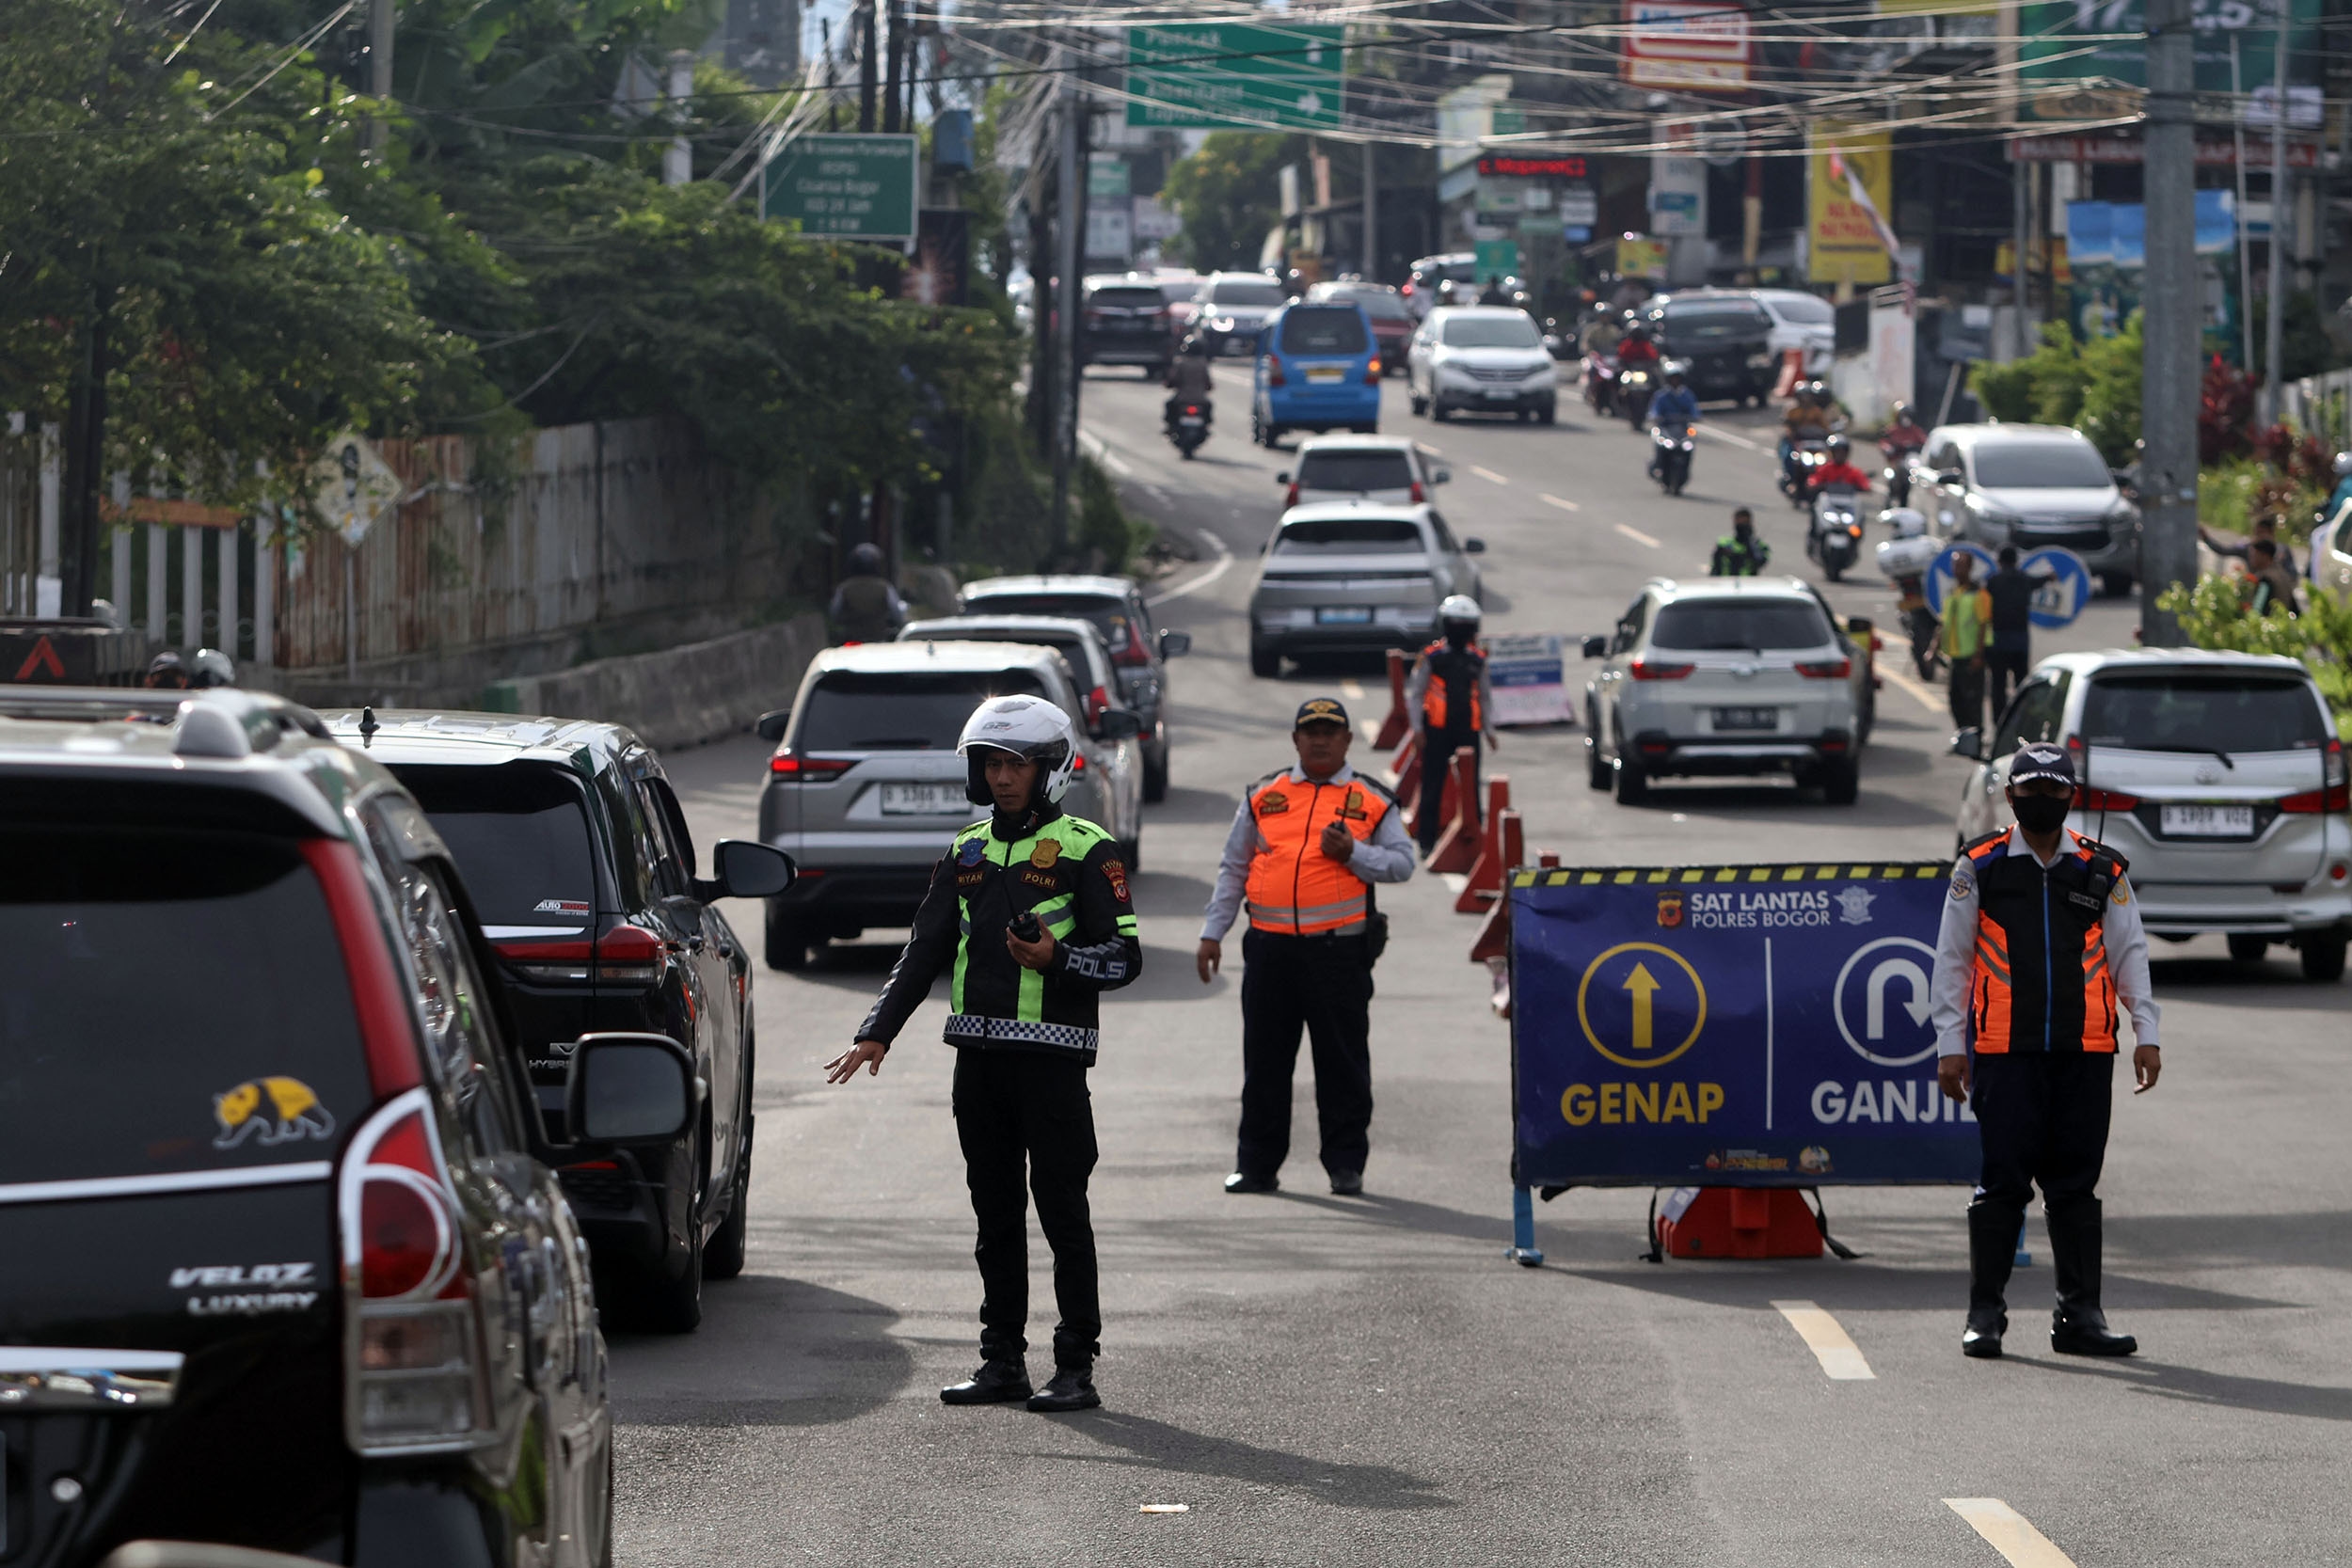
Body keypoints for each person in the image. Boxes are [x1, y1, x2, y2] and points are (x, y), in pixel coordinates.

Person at [825, 695, 1141, 1414]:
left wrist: (1057, 958)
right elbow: (925, 948)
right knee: (993, 1213)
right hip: (979, 1062)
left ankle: (1075, 1365)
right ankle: (1001, 1360)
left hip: (1055, 1065)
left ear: (1049, 769)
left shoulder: (1090, 848)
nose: (1002, 778)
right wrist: (877, 1029)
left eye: (1017, 765)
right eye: (992, 764)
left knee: (1062, 1210)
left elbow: (1125, 957)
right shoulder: (966, 849)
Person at [1932, 741, 2160, 1360]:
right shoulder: (1978, 867)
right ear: (2010, 796)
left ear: (2072, 796)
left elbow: (2130, 953)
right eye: (2030, 790)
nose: (2042, 800)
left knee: (2075, 1187)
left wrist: (2148, 1032)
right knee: (2002, 1182)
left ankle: (2080, 1316)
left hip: (2085, 1052)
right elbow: (1951, 962)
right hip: (2005, 1052)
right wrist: (1951, 1045)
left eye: (2055, 791)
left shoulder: (2101, 870)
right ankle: (1985, 1314)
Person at [1199, 698, 1415, 1197]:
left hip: (1338, 954)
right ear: (1295, 740)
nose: (1320, 740)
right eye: (1310, 731)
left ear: (1347, 741)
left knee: (1341, 1064)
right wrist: (1214, 932)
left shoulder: (1372, 799)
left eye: (1330, 732)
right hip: (1270, 951)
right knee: (1265, 1063)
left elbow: (1403, 864)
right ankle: (1255, 1166)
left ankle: (1345, 1165)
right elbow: (1234, 867)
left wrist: (1354, 853)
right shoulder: (1263, 795)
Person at [1405, 595, 1499, 856]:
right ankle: (1426, 841)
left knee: (1471, 789)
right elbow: (1415, 695)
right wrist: (1418, 730)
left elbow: (1486, 696)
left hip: (1468, 730)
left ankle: (1475, 842)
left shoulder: (1477, 660)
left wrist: (1489, 731)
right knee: (1432, 785)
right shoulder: (1432, 657)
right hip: (1436, 730)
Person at [1982, 546, 2038, 719]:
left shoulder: (1992, 581)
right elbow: (2041, 581)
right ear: (2016, 561)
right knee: (2021, 684)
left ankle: (1999, 723)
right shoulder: (2025, 579)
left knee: (1998, 686)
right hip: (2020, 641)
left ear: (1999, 561)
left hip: (1998, 641)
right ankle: (2021, 720)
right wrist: (2051, 576)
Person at [1943, 551, 1992, 735]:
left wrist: (1979, 655)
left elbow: (1983, 624)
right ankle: (1963, 738)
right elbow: (1945, 622)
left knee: (1972, 701)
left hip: (1971, 656)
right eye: (1955, 565)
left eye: (1961, 565)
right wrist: (1934, 648)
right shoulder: (1953, 593)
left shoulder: (1978, 594)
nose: (1957, 569)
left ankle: (1976, 739)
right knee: (1955, 700)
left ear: (1970, 568)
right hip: (1955, 655)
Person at [827, 543, 906, 644]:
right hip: (879, 640)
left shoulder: (844, 588)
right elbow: (897, 614)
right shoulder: (885, 587)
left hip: (851, 641)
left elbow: (834, 614)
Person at [2199, 513, 2297, 579]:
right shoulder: (2249, 548)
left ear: (2271, 533)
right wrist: (2207, 539)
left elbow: (2292, 574)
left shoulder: (2282, 551)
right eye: (2256, 533)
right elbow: (2225, 551)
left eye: (2262, 533)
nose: (2258, 537)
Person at [1164, 334, 1215, 432]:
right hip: (1200, 399)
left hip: (1182, 398)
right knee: (1209, 406)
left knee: (1169, 405)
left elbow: (1173, 379)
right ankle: (1205, 428)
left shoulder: (1181, 363)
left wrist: (1169, 384)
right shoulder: (1203, 364)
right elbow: (1208, 382)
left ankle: (1170, 428)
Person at [1880, 403, 1929, 505]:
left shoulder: (1915, 430)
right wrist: (1889, 449)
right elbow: (1884, 442)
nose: (1906, 419)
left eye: (1908, 416)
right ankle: (1892, 495)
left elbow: (1925, 442)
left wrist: (1916, 447)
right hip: (1896, 461)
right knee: (1894, 477)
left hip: (1911, 461)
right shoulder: (1892, 430)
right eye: (1903, 416)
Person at [2248, 538, 2301, 616]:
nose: (2251, 558)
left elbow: (2257, 609)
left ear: (2264, 556)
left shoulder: (2265, 579)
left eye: (2254, 554)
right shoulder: (2282, 573)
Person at [1708, 509, 1771, 577]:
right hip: (1725, 584)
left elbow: (1760, 562)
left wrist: (1749, 542)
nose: (1742, 526)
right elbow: (1715, 566)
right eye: (1739, 522)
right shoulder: (1724, 543)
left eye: (1745, 522)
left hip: (1747, 585)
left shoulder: (1759, 546)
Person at [1646, 365, 1700, 430]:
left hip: (1683, 427)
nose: (1675, 380)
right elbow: (1655, 409)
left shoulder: (1688, 394)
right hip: (1666, 427)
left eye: (1677, 378)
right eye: (1672, 378)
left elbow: (1694, 409)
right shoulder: (1661, 395)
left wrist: (1695, 416)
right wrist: (1655, 416)